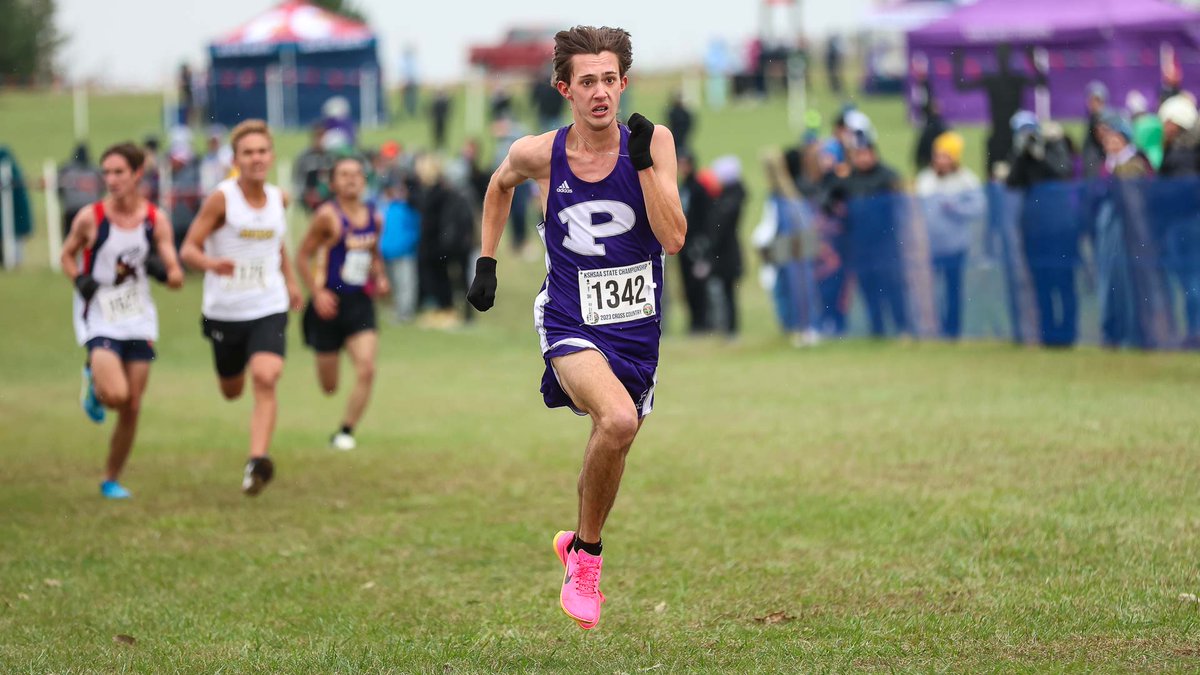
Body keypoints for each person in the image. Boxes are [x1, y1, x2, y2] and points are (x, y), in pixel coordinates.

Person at [465, 25, 686, 630]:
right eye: (586, 81)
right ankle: (587, 559)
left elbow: (672, 237)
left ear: (624, 83)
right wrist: (486, 263)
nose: (600, 93)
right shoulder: (543, 152)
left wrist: (641, 164)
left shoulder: (655, 142)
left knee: (620, 432)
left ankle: (578, 540)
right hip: (569, 317)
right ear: (564, 88)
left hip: (638, 327)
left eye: (609, 80)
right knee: (614, 419)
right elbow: (498, 185)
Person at [181, 119, 303, 496]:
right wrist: (211, 265)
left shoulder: (280, 198)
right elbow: (188, 249)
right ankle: (254, 447)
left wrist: (292, 281)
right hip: (226, 310)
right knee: (232, 389)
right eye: (248, 152)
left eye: (262, 151)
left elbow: (277, 244)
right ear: (235, 159)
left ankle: (257, 461)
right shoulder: (222, 198)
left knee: (267, 376)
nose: (256, 158)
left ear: (271, 155)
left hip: (268, 303)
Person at [60, 142, 184, 498]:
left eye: (119, 173)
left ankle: (110, 478)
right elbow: (66, 255)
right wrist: (79, 279)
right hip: (99, 314)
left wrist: (162, 271)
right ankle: (94, 380)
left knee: (132, 405)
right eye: (107, 173)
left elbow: (177, 276)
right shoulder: (91, 217)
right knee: (115, 395)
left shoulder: (154, 220)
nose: (111, 180)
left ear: (137, 175)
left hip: (138, 316)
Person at [295, 156, 389, 451]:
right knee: (329, 386)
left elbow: (373, 253)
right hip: (328, 306)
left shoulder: (375, 217)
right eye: (344, 175)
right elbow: (301, 256)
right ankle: (325, 359)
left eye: (357, 174)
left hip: (359, 302)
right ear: (333, 183)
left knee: (367, 369)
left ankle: (345, 431)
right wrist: (316, 292)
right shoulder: (327, 216)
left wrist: (381, 276)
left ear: (365, 181)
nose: (351, 180)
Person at [914, 132, 985, 339]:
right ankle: (932, 329)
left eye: (946, 156)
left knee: (953, 290)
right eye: (938, 156)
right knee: (931, 292)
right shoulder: (925, 180)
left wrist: (956, 208)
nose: (940, 161)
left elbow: (978, 208)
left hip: (956, 246)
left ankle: (953, 331)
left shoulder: (966, 180)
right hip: (929, 247)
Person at [708, 155, 746, 338]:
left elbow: (720, 228)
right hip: (729, 253)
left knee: (727, 293)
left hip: (726, 255)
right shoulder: (733, 197)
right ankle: (727, 327)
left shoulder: (728, 202)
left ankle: (729, 328)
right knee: (727, 293)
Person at [57, 143, 104, 242]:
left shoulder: (65, 169)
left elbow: (59, 191)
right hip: (90, 211)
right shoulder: (96, 170)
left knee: (70, 241)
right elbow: (102, 189)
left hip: (72, 211)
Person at [293, 123, 332, 214]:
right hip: (307, 199)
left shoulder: (331, 156)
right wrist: (306, 194)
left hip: (329, 198)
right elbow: (297, 179)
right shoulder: (303, 157)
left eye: (322, 136)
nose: (320, 140)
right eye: (317, 136)